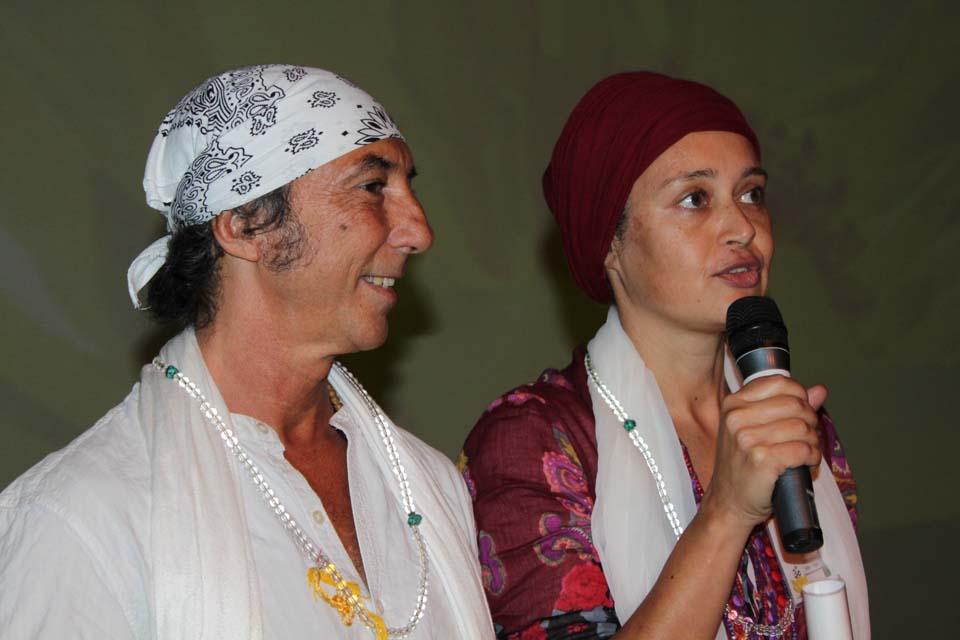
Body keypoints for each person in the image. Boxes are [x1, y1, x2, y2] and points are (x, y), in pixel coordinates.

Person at [0, 64, 494, 639]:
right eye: (372, 187)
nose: (419, 231)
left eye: (409, 186)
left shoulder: (426, 485)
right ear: (243, 224)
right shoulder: (82, 518)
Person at [460, 72, 869, 639]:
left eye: (751, 193)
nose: (742, 227)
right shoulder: (532, 441)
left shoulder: (794, 421)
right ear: (610, 242)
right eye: (694, 199)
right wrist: (726, 511)